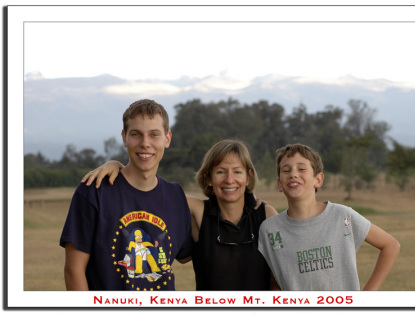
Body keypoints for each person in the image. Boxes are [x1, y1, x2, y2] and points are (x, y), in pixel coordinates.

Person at [83, 139, 280, 290]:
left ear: (249, 176)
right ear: (208, 178)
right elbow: (149, 188)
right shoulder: (195, 210)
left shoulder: (265, 215)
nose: (229, 180)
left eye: (237, 172)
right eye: (221, 172)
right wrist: (116, 165)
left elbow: (277, 278)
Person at [59, 99, 192, 291]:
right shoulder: (94, 190)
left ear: (167, 138)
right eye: (136, 134)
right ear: (124, 138)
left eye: (154, 134)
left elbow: (186, 254)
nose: (145, 143)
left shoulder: (176, 195)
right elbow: (73, 271)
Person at [258, 143, 401, 291]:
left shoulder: (343, 216)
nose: (293, 174)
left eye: (301, 169)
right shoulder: (270, 229)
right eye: (286, 170)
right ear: (279, 184)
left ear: (318, 180)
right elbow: (275, 281)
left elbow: (391, 245)